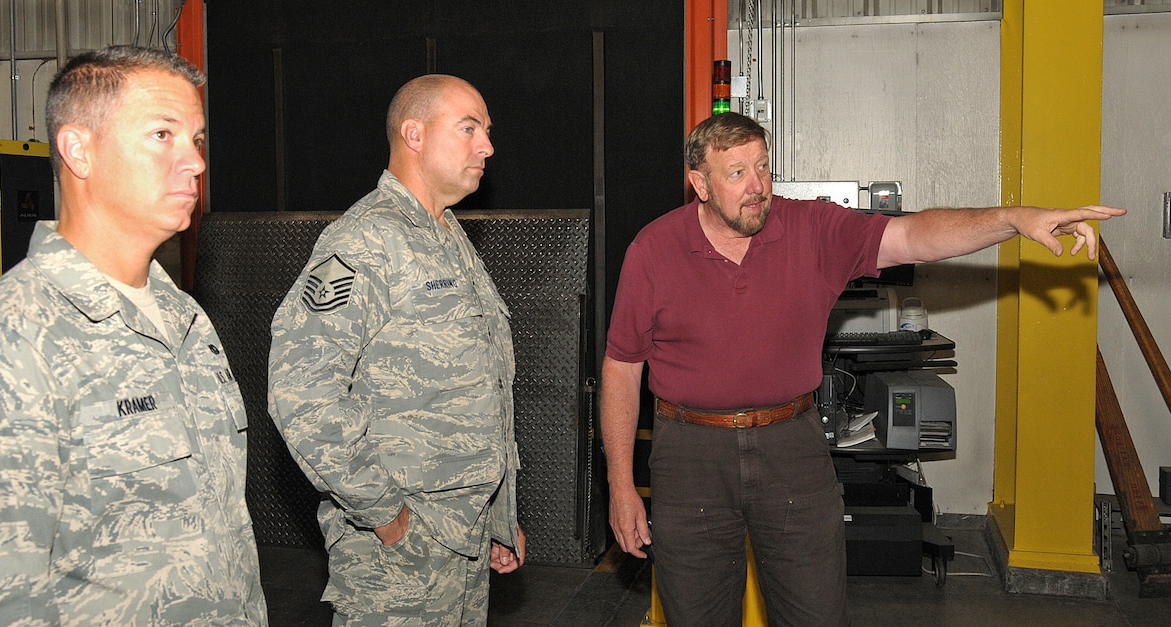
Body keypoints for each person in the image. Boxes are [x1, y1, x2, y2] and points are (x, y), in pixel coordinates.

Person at [601, 112, 1125, 626]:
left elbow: (914, 236)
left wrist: (1012, 219)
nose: (757, 185)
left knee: (817, 613)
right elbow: (622, 370)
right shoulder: (654, 251)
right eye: (737, 173)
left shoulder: (812, 229)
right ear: (700, 183)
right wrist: (622, 485)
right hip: (691, 456)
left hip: (793, 450)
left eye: (763, 166)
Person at [0, 46, 267, 624]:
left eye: (197, 139)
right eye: (163, 134)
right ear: (78, 150)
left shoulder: (185, 318)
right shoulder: (7, 339)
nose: (196, 162)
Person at [268, 74, 525, 626]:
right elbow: (301, 392)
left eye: (487, 130)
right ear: (414, 134)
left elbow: (481, 391)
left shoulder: (447, 235)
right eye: (469, 128)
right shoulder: (364, 241)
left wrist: (496, 519)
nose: (487, 146)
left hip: (465, 538)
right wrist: (383, 512)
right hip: (399, 555)